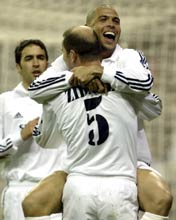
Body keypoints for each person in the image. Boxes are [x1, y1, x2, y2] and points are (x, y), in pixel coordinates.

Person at [24, 5, 172, 220]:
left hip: (129, 161)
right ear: (89, 29)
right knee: (33, 203)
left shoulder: (128, 57)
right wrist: (74, 77)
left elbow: (148, 88)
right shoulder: (66, 64)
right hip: (81, 165)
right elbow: (36, 88)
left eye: (116, 20)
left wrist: (101, 73)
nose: (111, 24)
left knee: (161, 198)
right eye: (103, 19)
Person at [0, 39, 67, 220]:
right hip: (20, 191)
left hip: (56, 192)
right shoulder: (5, 101)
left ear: (47, 63)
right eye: (29, 58)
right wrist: (20, 136)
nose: (36, 63)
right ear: (18, 66)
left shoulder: (62, 99)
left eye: (41, 57)